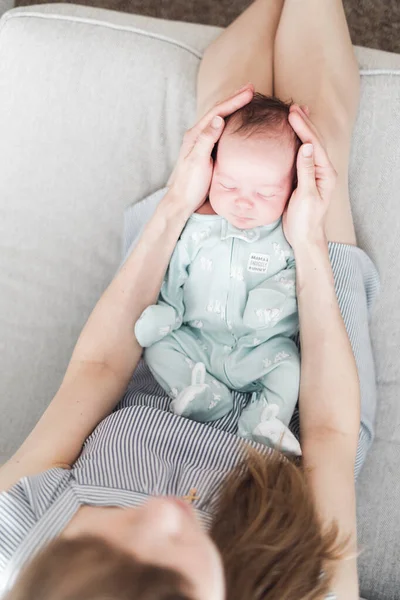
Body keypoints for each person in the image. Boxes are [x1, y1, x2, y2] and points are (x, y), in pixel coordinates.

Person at [0, 1, 380, 600]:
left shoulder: (16, 532)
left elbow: (95, 371)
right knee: (315, 143)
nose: (173, 510)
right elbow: (330, 434)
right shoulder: (308, 590)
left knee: (227, 128)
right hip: (294, 414)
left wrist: (180, 200)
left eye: (119, 526)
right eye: (187, 549)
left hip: (167, 368)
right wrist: (308, 243)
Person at [134, 93, 303, 455]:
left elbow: (294, 278)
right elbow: (176, 268)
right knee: (158, 348)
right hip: (196, 340)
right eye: (228, 186)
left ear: (292, 188)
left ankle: (264, 418)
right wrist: (171, 309)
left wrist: (270, 299)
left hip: (258, 348)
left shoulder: (286, 235)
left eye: (267, 192)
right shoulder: (198, 227)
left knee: (289, 365)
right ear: (212, 170)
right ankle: (204, 397)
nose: (244, 202)